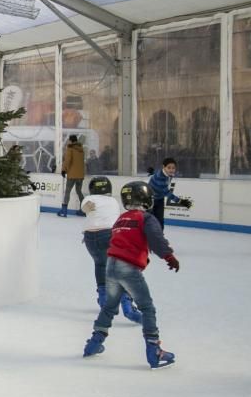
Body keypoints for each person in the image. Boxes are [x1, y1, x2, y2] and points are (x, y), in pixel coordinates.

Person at [82, 181, 179, 369]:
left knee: (109, 307)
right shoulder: (146, 219)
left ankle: (93, 343)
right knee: (147, 308)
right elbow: (157, 240)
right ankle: (154, 350)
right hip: (128, 268)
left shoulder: (121, 218)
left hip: (110, 266)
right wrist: (169, 257)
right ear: (146, 199)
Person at [81, 176, 142, 323]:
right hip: (109, 235)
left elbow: (86, 207)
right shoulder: (113, 201)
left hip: (90, 237)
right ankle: (128, 307)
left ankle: (104, 300)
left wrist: (88, 208)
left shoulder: (89, 198)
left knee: (100, 264)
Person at [147, 157, 191, 228]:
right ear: (164, 167)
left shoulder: (166, 173)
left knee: (160, 223)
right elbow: (166, 192)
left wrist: (153, 172)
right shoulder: (160, 178)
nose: (171, 170)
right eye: (169, 167)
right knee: (151, 223)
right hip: (150, 200)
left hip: (159, 199)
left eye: (173, 168)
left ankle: (159, 238)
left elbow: (158, 171)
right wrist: (180, 201)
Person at [59, 134, 85, 217]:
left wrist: (63, 170)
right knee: (79, 191)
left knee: (67, 192)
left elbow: (67, 160)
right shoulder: (81, 149)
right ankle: (83, 210)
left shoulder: (70, 148)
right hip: (80, 174)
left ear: (71, 140)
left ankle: (64, 210)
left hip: (72, 175)